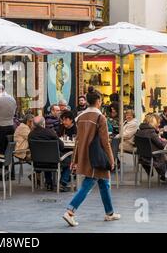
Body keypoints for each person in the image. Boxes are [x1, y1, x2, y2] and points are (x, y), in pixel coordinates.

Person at [63, 87, 119, 227]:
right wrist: (111, 160)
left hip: (84, 154)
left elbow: (78, 140)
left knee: (104, 182)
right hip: (97, 156)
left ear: (87, 102)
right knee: (88, 183)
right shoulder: (100, 117)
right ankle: (70, 212)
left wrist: (75, 160)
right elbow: (105, 142)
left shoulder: (80, 117)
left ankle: (109, 213)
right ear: (99, 101)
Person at [28, 116, 71, 192]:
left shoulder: (31, 135)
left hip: (37, 162)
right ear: (43, 124)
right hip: (53, 162)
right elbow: (61, 146)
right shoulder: (50, 132)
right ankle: (63, 183)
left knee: (46, 157)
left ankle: (49, 183)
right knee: (70, 161)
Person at [134, 113, 167, 177]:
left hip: (143, 156)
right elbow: (161, 145)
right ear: (154, 122)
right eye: (158, 123)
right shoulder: (151, 132)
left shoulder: (139, 131)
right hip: (153, 156)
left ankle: (165, 176)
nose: (159, 124)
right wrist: (166, 143)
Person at [0, 84, 17, 157]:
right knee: (8, 150)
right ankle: (9, 168)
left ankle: (0, 167)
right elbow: (13, 113)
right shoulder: (13, 99)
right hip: (10, 127)